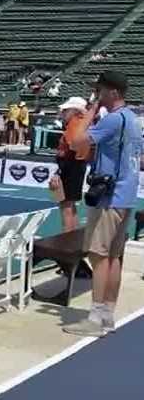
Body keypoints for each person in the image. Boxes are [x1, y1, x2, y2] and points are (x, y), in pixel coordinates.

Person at [63, 71, 142, 336]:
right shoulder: (132, 119)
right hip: (126, 194)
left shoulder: (113, 120)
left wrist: (90, 111)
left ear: (114, 93)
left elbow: (76, 142)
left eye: (100, 91)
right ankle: (107, 313)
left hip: (109, 197)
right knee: (114, 256)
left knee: (98, 255)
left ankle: (95, 318)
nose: (97, 95)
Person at [49, 97, 90, 233]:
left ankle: (67, 241)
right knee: (70, 206)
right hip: (75, 166)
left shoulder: (75, 124)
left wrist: (59, 172)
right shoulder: (80, 123)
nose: (63, 113)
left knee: (65, 207)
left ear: (75, 111)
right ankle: (72, 238)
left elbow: (73, 147)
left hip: (70, 166)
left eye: (66, 110)